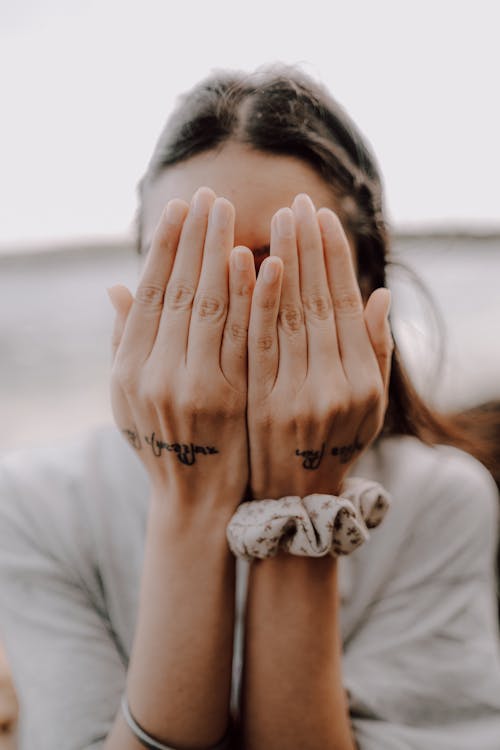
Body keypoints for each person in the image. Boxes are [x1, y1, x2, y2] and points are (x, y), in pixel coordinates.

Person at [0, 63, 499, 750]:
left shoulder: (438, 504)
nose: (226, 312)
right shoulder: (37, 505)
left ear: (365, 292)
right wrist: (190, 500)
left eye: (278, 267)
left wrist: (303, 492)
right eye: (186, 269)